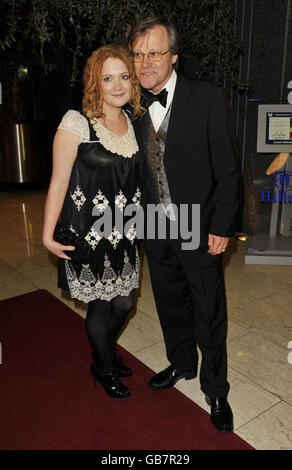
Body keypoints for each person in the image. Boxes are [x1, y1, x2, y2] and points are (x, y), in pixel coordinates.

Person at [128, 17, 240, 431]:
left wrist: (222, 226)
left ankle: (216, 389)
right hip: (154, 223)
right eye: (138, 54)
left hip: (199, 223)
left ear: (173, 56)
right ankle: (181, 364)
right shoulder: (132, 104)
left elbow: (228, 169)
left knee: (208, 308)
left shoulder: (207, 98)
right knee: (170, 302)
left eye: (154, 53)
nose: (145, 63)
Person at [42, 44, 145, 399]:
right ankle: (102, 367)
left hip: (126, 230)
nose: (117, 85)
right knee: (102, 304)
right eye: (107, 78)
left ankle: (105, 351)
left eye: (124, 77)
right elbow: (58, 181)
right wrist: (47, 233)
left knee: (126, 301)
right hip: (89, 232)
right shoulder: (77, 122)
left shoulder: (131, 122)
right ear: (94, 83)